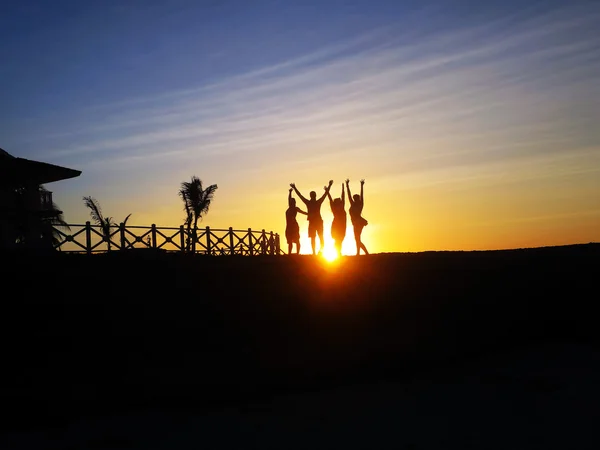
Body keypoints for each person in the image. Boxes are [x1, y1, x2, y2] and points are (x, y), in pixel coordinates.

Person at [290, 180, 333, 255]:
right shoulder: (313, 202)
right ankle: (316, 251)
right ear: (313, 196)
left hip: (316, 221)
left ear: (312, 196)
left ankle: (318, 251)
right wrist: (329, 186)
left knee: (318, 237)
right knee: (317, 237)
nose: (313, 196)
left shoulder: (311, 202)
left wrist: (329, 186)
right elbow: (325, 194)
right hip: (314, 222)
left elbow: (300, 196)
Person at [346, 178, 369, 255]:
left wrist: (362, 186)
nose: (354, 199)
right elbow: (349, 195)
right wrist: (347, 186)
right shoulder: (355, 204)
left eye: (355, 198)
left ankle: (364, 252)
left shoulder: (359, 204)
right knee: (357, 238)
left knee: (357, 238)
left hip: (358, 222)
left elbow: (361, 194)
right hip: (356, 222)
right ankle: (359, 253)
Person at [326, 182, 347, 257]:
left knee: (339, 240)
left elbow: (342, 197)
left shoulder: (338, 208)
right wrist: (343, 188)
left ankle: (338, 252)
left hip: (340, 226)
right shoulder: (338, 208)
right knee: (339, 240)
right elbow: (331, 199)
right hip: (338, 226)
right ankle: (338, 252)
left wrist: (343, 188)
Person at [285, 188, 307, 254]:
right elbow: (289, 199)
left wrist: (309, 214)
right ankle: (289, 253)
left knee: (297, 240)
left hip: (294, 226)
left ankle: (297, 253)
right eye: (291, 202)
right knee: (290, 242)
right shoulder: (289, 208)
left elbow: (303, 212)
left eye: (293, 202)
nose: (292, 203)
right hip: (288, 226)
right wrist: (290, 192)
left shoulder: (295, 208)